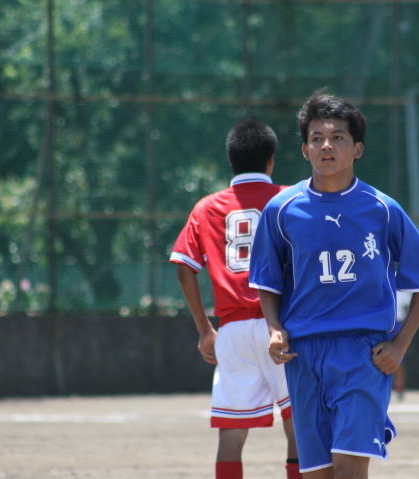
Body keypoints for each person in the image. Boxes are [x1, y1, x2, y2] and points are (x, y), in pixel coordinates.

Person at [249, 89, 419, 478]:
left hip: (363, 353)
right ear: (305, 150)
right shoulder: (281, 209)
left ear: (357, 149)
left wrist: (401, 344)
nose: (326, 145)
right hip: (304, 355)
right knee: (317, 474)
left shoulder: (383, 209)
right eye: (317, 138)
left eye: (338, 137)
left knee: (350, 470)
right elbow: (267, 280)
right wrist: (273, 328)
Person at [169, 119, 302, 479]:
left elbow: (184, 268)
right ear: (271, 160)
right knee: (298, 426)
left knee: (231, 433)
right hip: (282, 327)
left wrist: (204, 330)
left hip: (232, 331)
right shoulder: (290, 198)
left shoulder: (206, 207)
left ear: (230, 160)